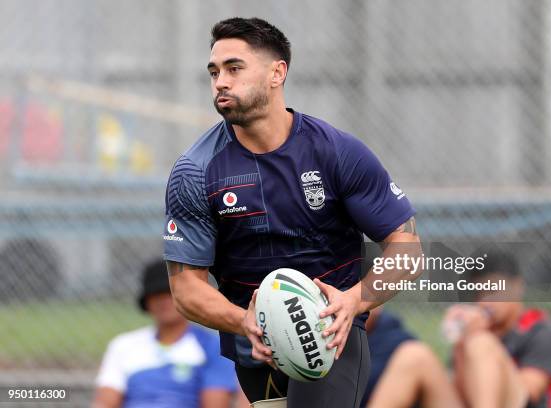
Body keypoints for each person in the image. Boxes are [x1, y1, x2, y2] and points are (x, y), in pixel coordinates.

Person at [163, 17, 421, 408]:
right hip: (254, 350)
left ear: (276, 73)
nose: (221, 82)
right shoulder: (196, 172)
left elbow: (406, 247)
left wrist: (355, 299)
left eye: (235, 68)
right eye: (214, 72)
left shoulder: (335, 152)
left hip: (332, 332)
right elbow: (186, 289)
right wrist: (244, 322)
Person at [367, 251, 551, 408]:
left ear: (517, 287)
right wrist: (463, 343)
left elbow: (530, 393)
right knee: (413, 354)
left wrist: (482, 344)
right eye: (481, 293)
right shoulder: (476, 331)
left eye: (494, 292)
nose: (487, 301)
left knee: (480, 344)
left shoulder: (539, 331)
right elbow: (461, 392)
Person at [92, 259, 243, 408]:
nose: (163, 301)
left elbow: (215, 404)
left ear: (184, 298)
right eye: (156, 294)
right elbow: (105, 402)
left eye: (169, 293)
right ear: (147, 301)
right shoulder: (123, 346)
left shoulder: (213, 347)